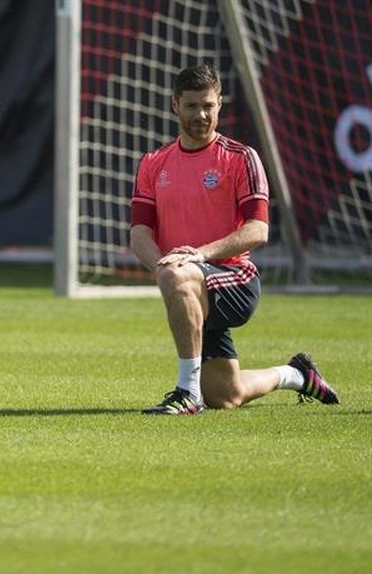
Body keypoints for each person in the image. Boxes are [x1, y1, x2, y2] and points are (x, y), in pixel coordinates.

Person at [130, 64, 339, 414]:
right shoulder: (153, 163)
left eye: (208, 106)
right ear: (174, 106)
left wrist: (198, 255)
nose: (201, 114)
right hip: (188, 284)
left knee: (179, 276)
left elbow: (258, 230)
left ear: (220, 105)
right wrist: (165, 268)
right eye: (192, 105)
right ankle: (297, 374)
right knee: (227, 396)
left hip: (236, 279)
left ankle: (187, 393)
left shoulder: (241, 158)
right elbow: (139, 234)